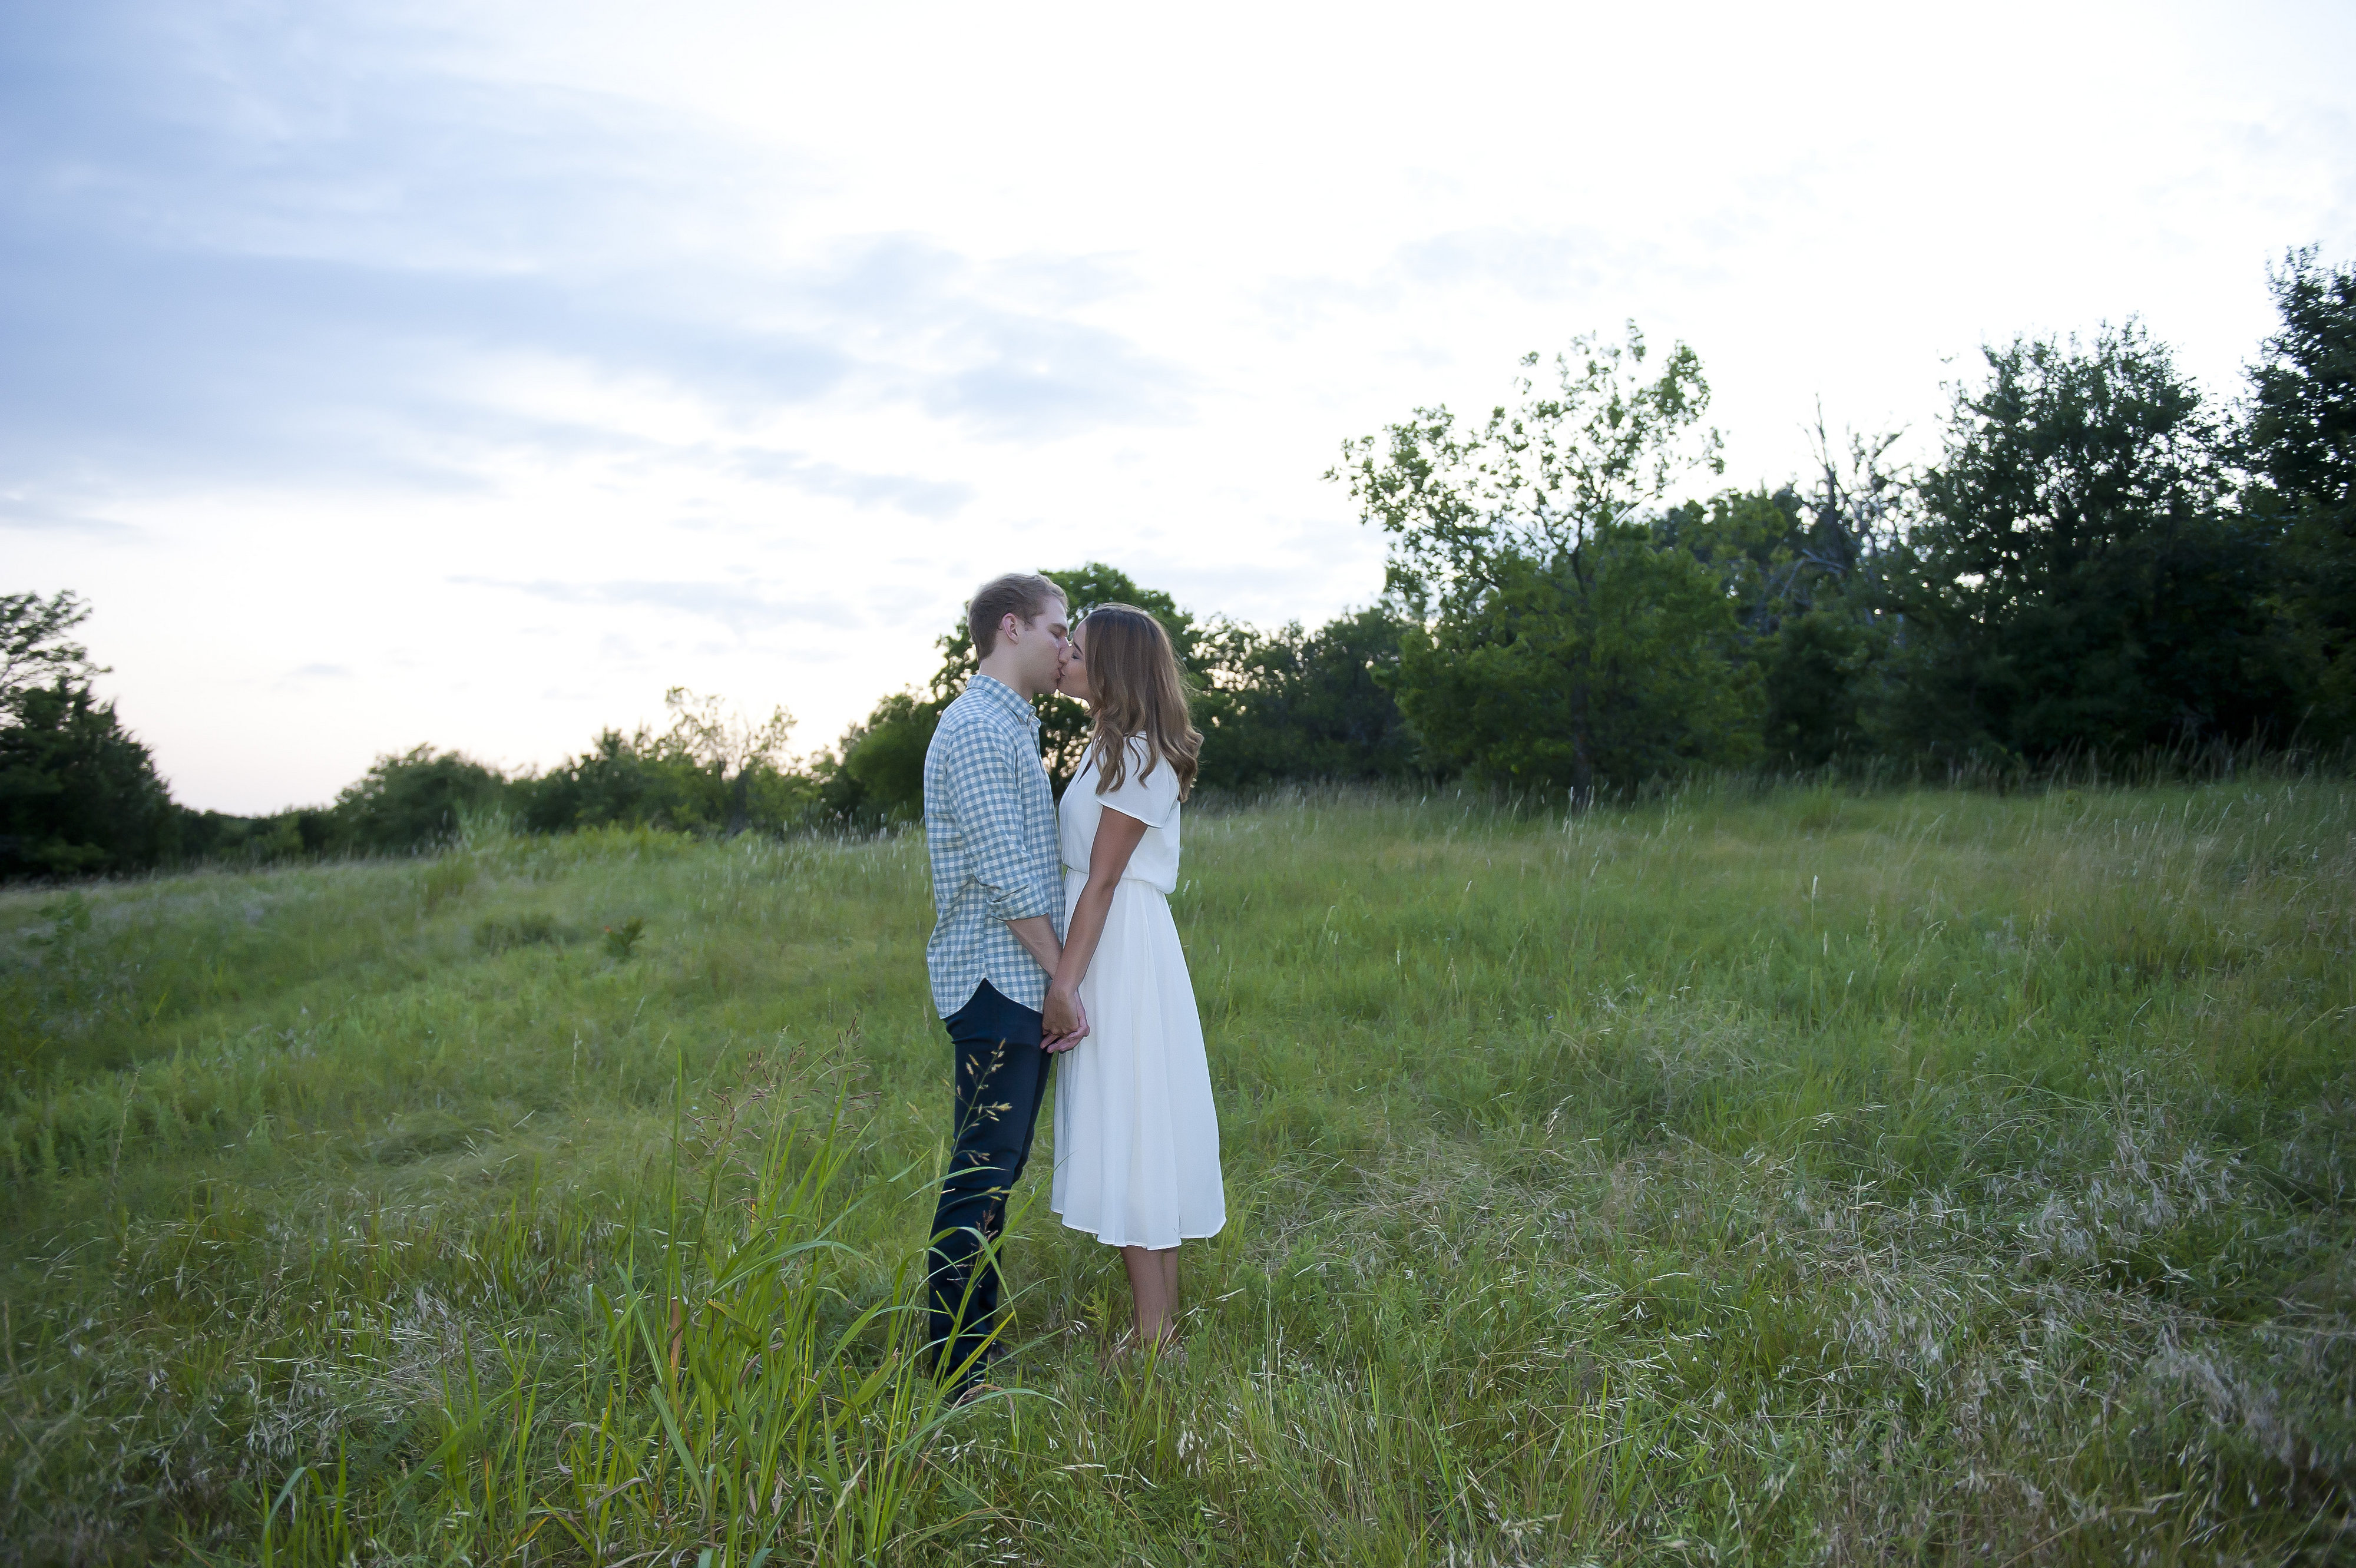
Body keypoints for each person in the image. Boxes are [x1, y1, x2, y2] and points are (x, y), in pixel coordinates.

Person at [1044, 604, 1226, 1357]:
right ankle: (1156, 1329)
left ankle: (1157, 1336)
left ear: (1112, 667)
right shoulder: (1104, 746)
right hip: (1108, 941)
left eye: (1077, 651)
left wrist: (1064, 983)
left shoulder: (1145, 754)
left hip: (1120, 949)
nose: (1063, 658)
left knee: (1139, 1128)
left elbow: (1104, 881)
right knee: (1129, 1126)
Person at [921, 572, 1086, 1395]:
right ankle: (954, 1372)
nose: (1068, 646)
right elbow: (1009, 876)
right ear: (1012, 627)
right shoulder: (982, 731)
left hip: (1014, 977)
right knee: (982, 1176)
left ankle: (966, 1354)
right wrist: (1065, 978)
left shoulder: (1008, 727)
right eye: (1060, 630)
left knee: (992, 1172)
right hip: (999, 980)